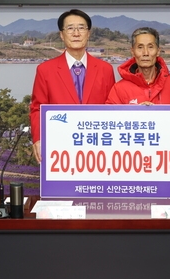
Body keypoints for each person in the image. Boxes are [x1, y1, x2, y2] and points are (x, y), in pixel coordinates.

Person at [29, 9, 116, 163]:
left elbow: (113, 108)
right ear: (62, 35)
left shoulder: (105, 69)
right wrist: (38, 138)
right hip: (59, 147)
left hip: (97, 147)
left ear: (88, 33)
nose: (76, 33)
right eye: (70, 28)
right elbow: (37, 109)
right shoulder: (45, 70)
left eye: (81, 28)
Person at [106, 27, 170, 105]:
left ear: (158, 51)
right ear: (133, 52)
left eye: (150, 47)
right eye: (140, 47)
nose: (145, 53)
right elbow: (110, 113)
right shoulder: (119, 89)